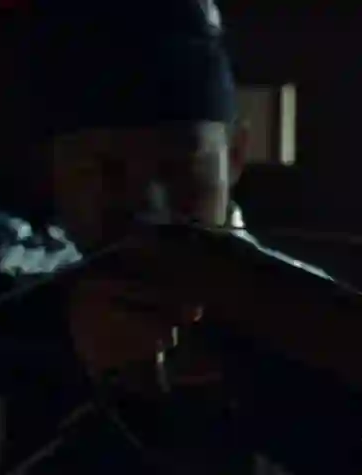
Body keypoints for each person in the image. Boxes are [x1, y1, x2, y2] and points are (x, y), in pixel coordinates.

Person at [25, 1, 251, 472]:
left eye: (180, 166)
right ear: (53, 170)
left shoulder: (320, 323)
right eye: (106, 170)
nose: (150, 206)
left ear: (235, 156)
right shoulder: (6, 299)